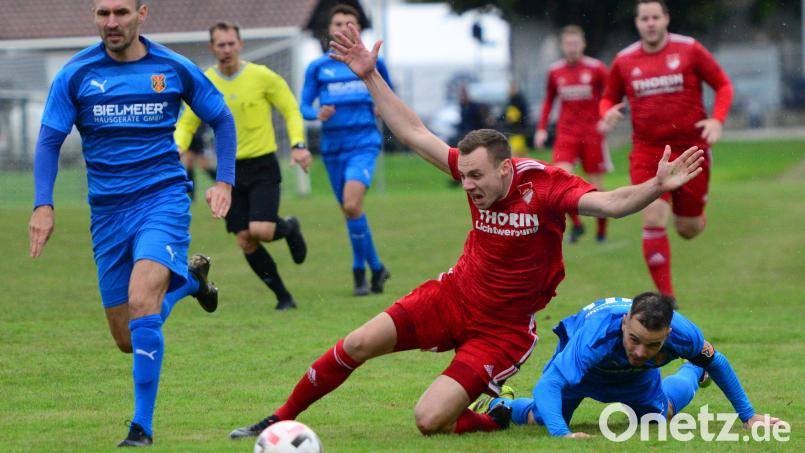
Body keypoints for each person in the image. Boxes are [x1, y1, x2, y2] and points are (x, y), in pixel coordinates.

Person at [227, 22, 705, 439]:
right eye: (464, 175)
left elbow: (611, 203)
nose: (468, 184)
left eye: (477, 176)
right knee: (356, 343)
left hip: (503, 331)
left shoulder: (546, 186)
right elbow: (414, 132)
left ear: (505, 169)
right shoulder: (470, 173)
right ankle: (278, 419)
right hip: (454, 295)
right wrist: (370, 75)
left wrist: (656, 186)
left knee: (429, 420)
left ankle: (496, 415)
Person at [27, 0, 237, 446]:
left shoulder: (172, 68)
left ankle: (141, 428)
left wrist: (225, 181)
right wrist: (42, 204)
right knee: (126, 337)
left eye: (121, 12)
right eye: (102, 13)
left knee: (142, 302)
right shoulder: (76, 74)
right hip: (107, 213)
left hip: (162, 200)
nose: (111, 22)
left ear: (143, 13)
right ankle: (189, 283)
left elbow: (221, 117)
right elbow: (49, 141)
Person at [482, 294, 785, 438]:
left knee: (659, 417)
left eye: (652, 345)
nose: (640, 352)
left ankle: (694, 371)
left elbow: (717, 361)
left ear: (667, 334)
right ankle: (500, 403)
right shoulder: (595, 336)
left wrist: (749, 416)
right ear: (625, 322)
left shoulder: (684, 334)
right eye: (634, 339)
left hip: (636, 379)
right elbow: (548, 385)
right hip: (585, 374)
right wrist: (562, 435)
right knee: (541, 419)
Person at [175, 21, 312, 311]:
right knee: (245, 239)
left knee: (261, 229)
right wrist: (178, 146)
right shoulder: (205, 82)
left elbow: (290, 109)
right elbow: (187, 122)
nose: (226, 49)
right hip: (229, 171)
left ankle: (290, 227)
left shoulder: (262, 76)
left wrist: (298, 144)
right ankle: (283, 297)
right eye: (220, 45)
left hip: (262, 164)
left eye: (231, 44)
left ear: (240, 45)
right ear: (212, 48)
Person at [600, 0, 733, 296]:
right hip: (647, 151)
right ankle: (667, 300)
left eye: (655, 17)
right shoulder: (624, 60)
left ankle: (693, 214)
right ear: (637, 23)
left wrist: (717, 120)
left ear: (666, 19)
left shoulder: (690, 49)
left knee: (688, 229)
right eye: (644, 18)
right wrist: (606, 111)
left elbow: (723, 85)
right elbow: (608, 97)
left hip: (690, 150)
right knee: (652, 217)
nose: (650, 23)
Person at [300, 4, 391, 296]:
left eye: (349, 23)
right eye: (337, 23)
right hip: (333, 148)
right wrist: (317, 113)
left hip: (363, 143)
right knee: (351, 211)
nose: (342, 28)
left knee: (351, 205)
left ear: (358, 29)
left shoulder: (374, 63)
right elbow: (303, 106)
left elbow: (390, 95)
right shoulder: (318, 67)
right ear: (329, 30)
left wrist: (382, 106)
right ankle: (376, 268)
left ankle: (358, 271)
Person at [535, 25, 610, 243]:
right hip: (566, 134)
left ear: (583, 44)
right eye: (568, 44)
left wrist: (606, 117)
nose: (572, 47)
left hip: (592, 134)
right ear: (562, 46)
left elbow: (610, 95)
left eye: (576, 43)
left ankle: (601, 231)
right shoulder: (555, 71)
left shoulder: (596, 68)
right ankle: (577, 225)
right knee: (559, 180)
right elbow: (549, 100)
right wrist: (541, 128)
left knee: (596, 186)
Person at [180, 123, 217, 202]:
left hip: (197, 137)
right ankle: (191, 195)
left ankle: (223, 182)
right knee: (188, 165)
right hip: (188, 137)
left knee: (204, 166)